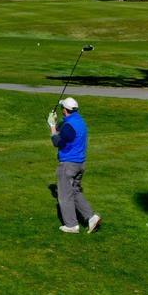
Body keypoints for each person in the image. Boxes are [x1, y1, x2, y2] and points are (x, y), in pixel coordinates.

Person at [46, 97, 102, 233]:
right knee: (75, 191)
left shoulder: (69, 126)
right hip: (80, 164)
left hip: (68, 165)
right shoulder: (79, 121)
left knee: (64, 195)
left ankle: (71, 225)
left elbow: (57, 142)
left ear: (65, 110)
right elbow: (65, 129)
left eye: (62, 109)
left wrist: (52, 127)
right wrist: (55, 122)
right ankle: (91, 217)